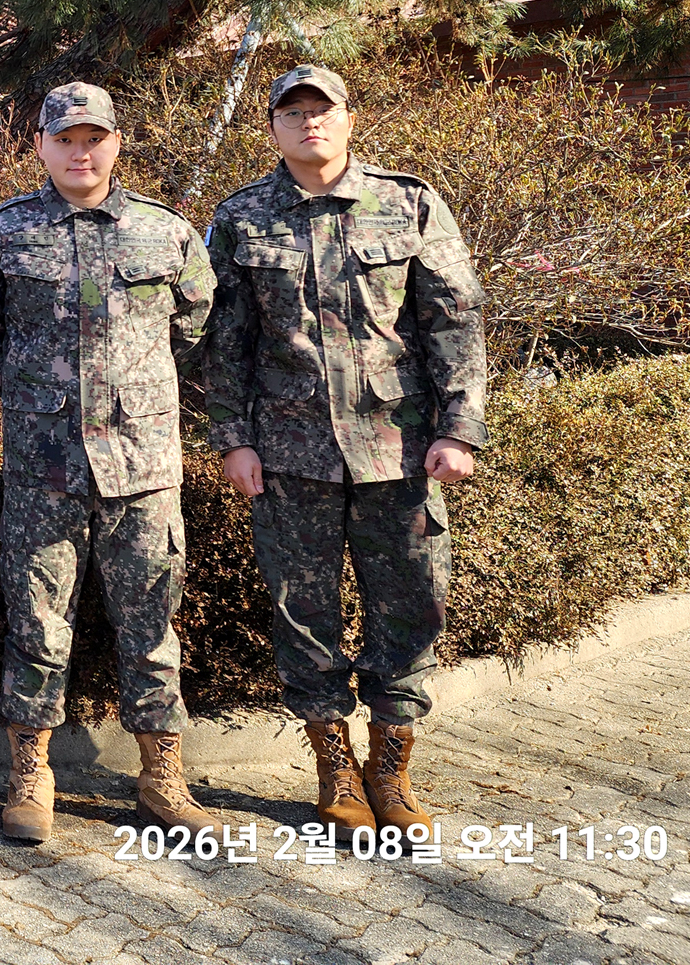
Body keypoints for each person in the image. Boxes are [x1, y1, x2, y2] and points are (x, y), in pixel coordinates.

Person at [206, 65, 485, 838]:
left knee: (413, 605)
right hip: (290, 455)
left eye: (320, 110)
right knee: (303, 615)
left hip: (399, 449)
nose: (308, 124)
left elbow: (453, 322)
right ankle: (334, 767)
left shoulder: (410, 202)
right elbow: (222, 344)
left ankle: (390, 769)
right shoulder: (241, 218)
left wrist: (460, 428)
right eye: (291, 113)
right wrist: (232, 439)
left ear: (347, 119)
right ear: (272, 128)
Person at [0, 83, 218, 842]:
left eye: (94, 137)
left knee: (152, 624)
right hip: (44, 467)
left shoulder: (163, 233)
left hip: (143, 465)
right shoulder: (2, 235)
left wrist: (138, 394)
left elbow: (195, 324)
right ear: (39, 144)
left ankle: (162, 775)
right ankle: (29, 774)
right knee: (36, 623)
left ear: (115, 143)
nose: (81, 151)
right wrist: (32, 395)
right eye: (66, 138)